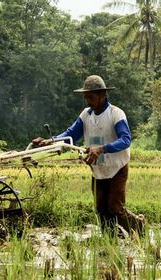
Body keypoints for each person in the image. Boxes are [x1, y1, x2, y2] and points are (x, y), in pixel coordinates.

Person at [32, 75, 145, 237]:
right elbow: (71, 134)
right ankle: (110, 242)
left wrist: (101, 149)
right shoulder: (86, 115)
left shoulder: (116, 114)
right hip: (98, 170)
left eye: (90, 97)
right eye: (86, 97)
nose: (87, 101)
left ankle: (141, 230)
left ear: (102, 95)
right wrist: (51, 141)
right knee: (101, 209)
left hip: (117, 168)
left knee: (115, 208)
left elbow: (126, 140)